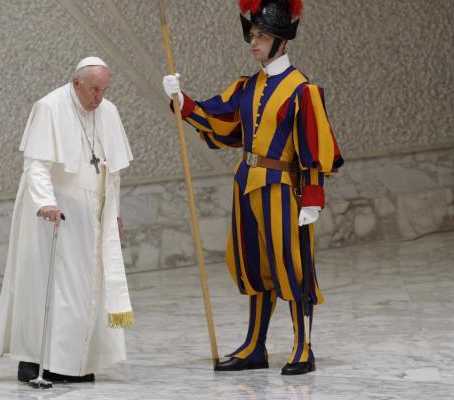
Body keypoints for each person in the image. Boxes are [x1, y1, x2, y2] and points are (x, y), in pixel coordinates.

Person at [162, 0, 343, 375]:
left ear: (280, 41)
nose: (253, 43)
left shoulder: (302, 90)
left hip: (283, 188)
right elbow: (223, 122)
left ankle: (302, 347)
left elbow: (313, 147)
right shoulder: (246, 86)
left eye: (261, 36)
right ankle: (253, 346)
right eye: (253, 36)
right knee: (253, 267)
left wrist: (313, 196)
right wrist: (182, 102)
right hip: (246, 183)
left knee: (292, 267)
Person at [0, 56, 134, 383]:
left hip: (91, 215)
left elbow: (112, 173)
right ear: (76, 83)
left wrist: (114, 213)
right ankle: (35, 360)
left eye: (104, 90)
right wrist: (45, 203)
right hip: (54, 212)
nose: (99, 97)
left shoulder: (108, 112)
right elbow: (36, 164)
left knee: (85, 289)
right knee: (49, 287)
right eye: (94, 89)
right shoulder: (50, 107)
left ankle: (75, 362)